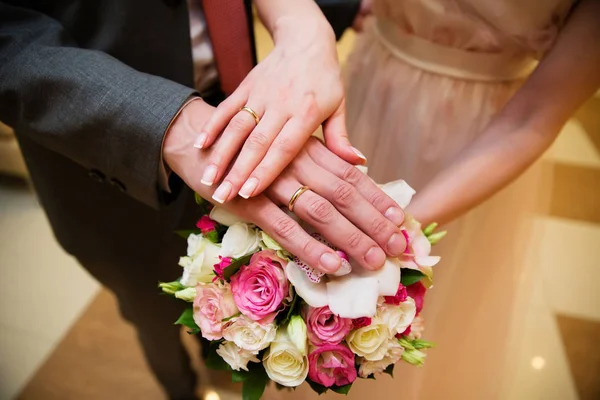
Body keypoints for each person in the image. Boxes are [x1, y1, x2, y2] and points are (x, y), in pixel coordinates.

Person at [0, 1, 408, 399]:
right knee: (151, 314)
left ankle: (221, 359)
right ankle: (178, 385)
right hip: (112, 162)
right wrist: (167, 125)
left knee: (239, 302)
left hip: (249, 103)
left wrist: (301, 15)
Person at [259, 0, 600, 399]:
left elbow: (537, 113)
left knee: (431, 300)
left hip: (480, 135)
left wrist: (396, 227)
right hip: (370, 81)